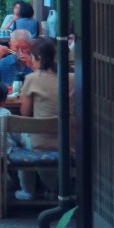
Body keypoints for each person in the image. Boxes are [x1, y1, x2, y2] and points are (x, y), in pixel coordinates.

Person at [16, 37, 75, 200]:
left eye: (32, 56)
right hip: (69, 140)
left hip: (41, 142)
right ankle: (53, 187)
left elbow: (25, 113)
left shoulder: (32, 79)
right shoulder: (72, 79)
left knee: (21, 136)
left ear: (39, 58)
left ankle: (28, 189)